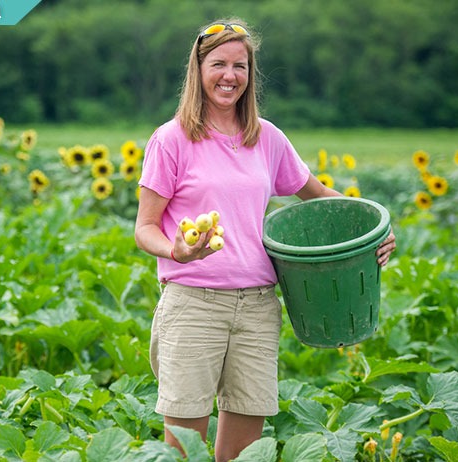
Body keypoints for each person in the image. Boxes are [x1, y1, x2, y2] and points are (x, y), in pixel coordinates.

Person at [134, 18, 396, 461]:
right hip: (193, 303)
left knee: (243, 453)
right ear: (197, 71)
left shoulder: (267, 138)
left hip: (258, 306)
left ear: (250, 75)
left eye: (240, 66)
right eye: (218, 64)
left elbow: (322, 199)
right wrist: (175, 250)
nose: (229, 76)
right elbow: (145, 228)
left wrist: (375, 231)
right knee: (184, 449)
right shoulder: (172, 139)